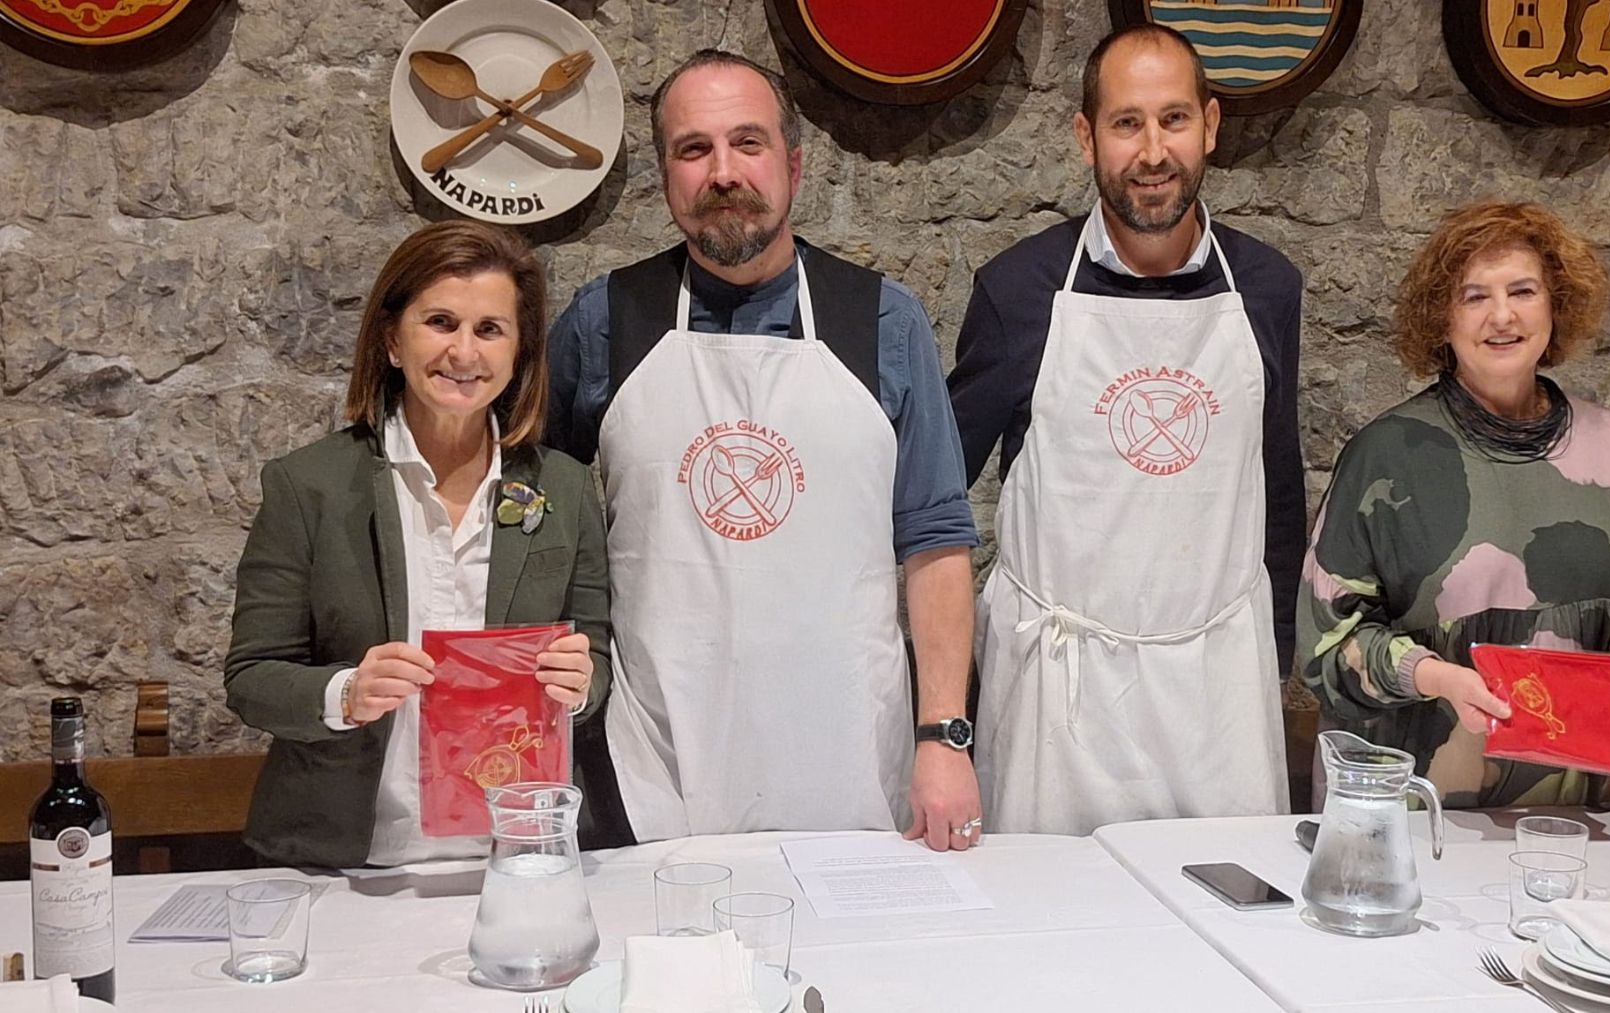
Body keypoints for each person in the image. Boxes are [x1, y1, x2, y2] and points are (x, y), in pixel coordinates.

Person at [545, 50, 983, 851]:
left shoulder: (885, 322)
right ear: (666, 175)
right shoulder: (602, 323)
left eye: (747, 142)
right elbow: (541, 536)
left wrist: (943, 739)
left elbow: (935, 542)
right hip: (653, 758)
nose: (722, 171)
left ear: (793, 163)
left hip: (852, 752)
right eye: (693, 148)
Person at [947, 24, 1303, 835]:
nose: (1153, 151)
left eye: (1173, 120)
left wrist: (1272, 658)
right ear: (1086, 137)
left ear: (1210, 126)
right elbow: (936, 493)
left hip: (1217, 689)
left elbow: (1277, 483)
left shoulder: (1268, 289)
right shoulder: (1017, 292)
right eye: (1126, 122)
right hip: (1057, 694)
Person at [224, 221, 611, 868]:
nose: (464, 352)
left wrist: (583, 679)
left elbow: (594, 658)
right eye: (440, 322)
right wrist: (344, 693)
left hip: (517, 856)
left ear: (518, 350)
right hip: (350, 858)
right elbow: (252, 678)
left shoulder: (566, 489)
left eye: (490, 329)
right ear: (392, 340)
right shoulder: (307, 487)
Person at [1299, 200, 1610, 808]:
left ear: (1556, 306)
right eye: (1474, 296)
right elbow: (1326, 647)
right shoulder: (1386, 456)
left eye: (1523, 291)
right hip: (1418, 814)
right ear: (1442, 321)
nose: (1502, 316)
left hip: (1575, 814)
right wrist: (1437, 677)